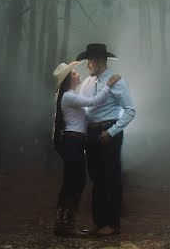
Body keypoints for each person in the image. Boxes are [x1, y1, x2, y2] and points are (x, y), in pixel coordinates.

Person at [51, 60, 121, 237]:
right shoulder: (68, 96)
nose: (78, 74)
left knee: (74, 182)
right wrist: (109, 85)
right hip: (73, 143)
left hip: (74, 143)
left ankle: (63, 223)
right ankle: (66, 225)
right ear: (68, 79)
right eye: (74, 73)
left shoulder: (69, 95)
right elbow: (94, 102)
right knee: (75, 183)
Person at [76, 43, 136, 237]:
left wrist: (111, 132)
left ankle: (113, 224)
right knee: (96, 179)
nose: (87, 66)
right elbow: (84, 109)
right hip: (91, 134)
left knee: (111, 178)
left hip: (109, 132)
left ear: (99, 61)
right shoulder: (86, 83)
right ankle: (99, 222)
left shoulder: (116, 81)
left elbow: (130, 111)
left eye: (89, 62)